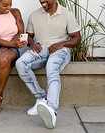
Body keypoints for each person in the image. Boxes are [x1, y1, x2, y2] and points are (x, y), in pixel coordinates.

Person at [15, 0, 81, 129]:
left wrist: (61, 44)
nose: (42, 1)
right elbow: (29, 36)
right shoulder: (34, 15)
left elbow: (77, 39)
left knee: (51, 67)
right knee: (21, 63)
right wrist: (32, 44)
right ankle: (40, 98)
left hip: (61, 49)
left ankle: (51, 109)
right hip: (41, 48)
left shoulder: (67, 14)